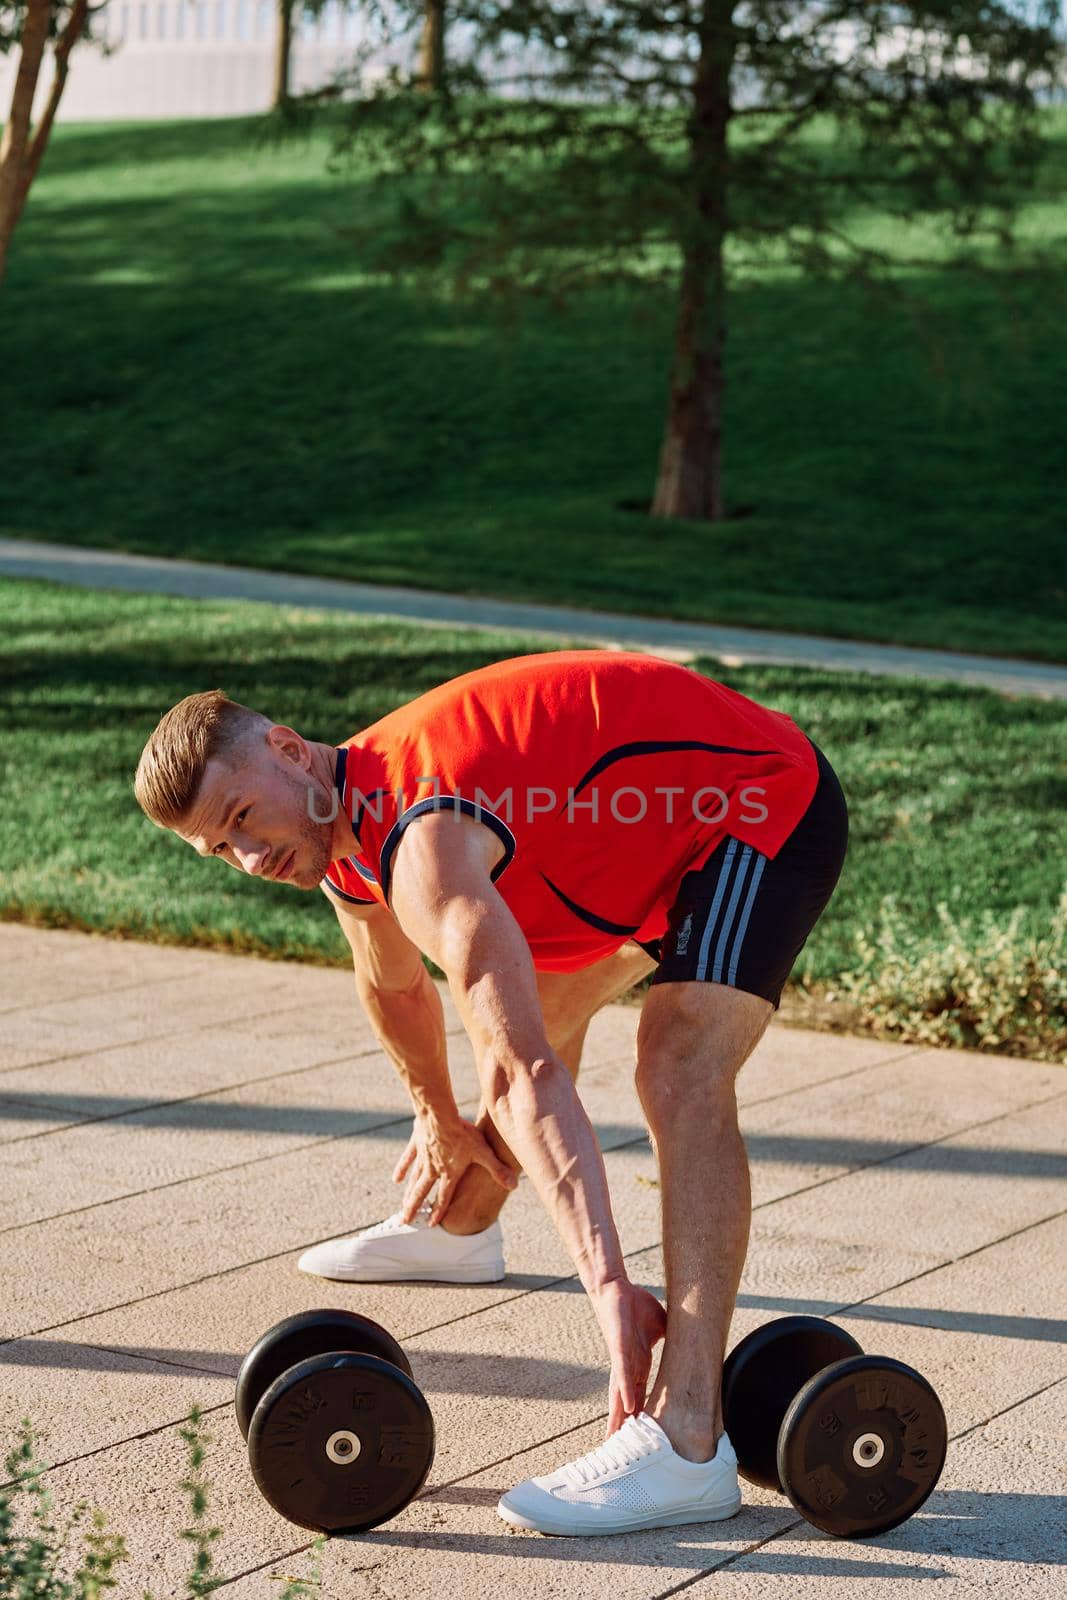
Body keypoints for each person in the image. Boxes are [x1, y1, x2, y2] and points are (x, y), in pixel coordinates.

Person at [134, 649, 849, 1536]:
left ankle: (688, 1443)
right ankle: (462, 1231)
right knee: (523, 1022)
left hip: (754, 805)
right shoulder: (335, 826)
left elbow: (521, 1076)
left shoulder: (422, 838)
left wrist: (609, 1287)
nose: (244, 857)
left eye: (241, 818)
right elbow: (389, 980)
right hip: (623, 849)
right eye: (217, 847)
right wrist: (436, 1116)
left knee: (676, 1067)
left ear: (287, 749)